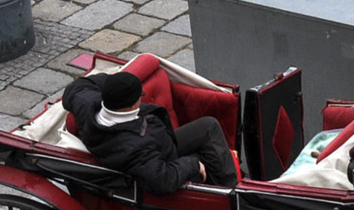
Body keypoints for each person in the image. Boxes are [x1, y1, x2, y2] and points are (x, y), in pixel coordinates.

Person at [62, 70, 238, 195]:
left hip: (160, 144)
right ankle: (231, 196)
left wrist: (114, 84)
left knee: (208, 126)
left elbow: (75, 87)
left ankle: (230, 186)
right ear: (132, 105)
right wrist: (192, 164)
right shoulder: (134, 146)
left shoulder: (86, 104)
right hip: (161, 161)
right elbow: (162, 180)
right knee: (205, 156)